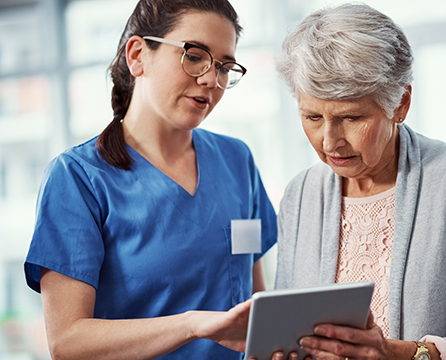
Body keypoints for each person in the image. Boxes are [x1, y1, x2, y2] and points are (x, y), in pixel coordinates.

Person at [273, 3, 446, 360]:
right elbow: (285, 332)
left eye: (350, 117)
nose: (329, 141)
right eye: (312, 116)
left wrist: (400, 354)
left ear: (400, 104)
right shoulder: (300, 196)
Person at [23, 0, 277, 359]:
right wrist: (191, 326)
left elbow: (254, 307)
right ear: (138, 55)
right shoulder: (77, 178)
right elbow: (68, 342)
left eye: (224, 67)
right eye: (194, 55)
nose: (210, 80)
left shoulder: (237, 160)